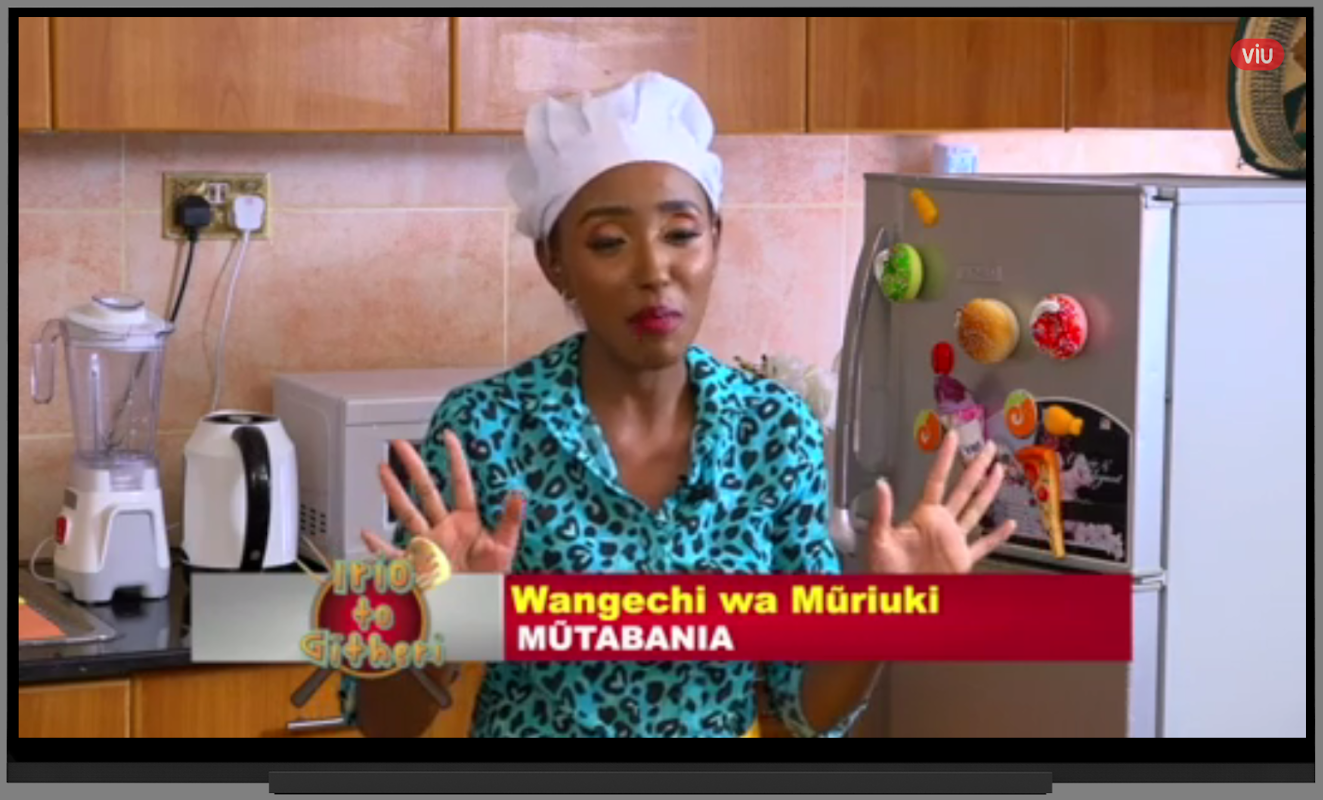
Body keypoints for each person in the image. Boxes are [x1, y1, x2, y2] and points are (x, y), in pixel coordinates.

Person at [345, 72, 1016, 738]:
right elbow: (383, 727)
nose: (653, 271)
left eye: (681, 233)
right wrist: (438, 624)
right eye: (609, 242)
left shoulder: (774, 432)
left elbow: (803, 710)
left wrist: (886, 618)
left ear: (715, 239)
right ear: (554, 262)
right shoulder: (485, 430)